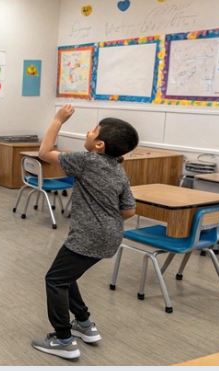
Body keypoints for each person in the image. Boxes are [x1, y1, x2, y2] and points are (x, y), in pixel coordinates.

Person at [31, 104, 139, 359]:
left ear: (99, 144)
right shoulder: (118, 169)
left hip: (87, 236)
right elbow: (129, 211)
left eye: (93, 131)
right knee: (67, 275)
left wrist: (58, 119)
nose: (89, 133)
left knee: (55, 280)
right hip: (111, 236)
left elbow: (44, 152)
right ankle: (84, 323)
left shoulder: (87, 160)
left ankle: (63, 339)